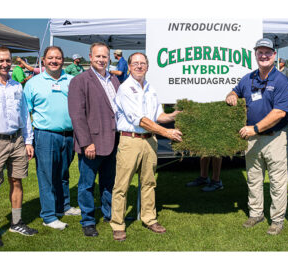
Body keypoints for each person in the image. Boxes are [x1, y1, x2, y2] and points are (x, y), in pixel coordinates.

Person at [110, 52, 182, 241]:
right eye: (135, 63)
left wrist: (175, 114)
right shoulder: (125, 88)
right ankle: (118, 224)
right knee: (121, 185)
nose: (139, 66)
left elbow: (158, 116)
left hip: (150, 140)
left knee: (149, 182)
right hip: (130, 140)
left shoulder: (150, 88)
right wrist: (167, 133)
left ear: (147, 67)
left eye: (143, 63)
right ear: (129, 66)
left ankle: (149, 218)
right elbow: (140, 119)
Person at [226, 38, 288, 236]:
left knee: (277, 181)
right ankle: (256, 213)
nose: (263, 56)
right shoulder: (249, 78)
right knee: (254, 178)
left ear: (274, 56)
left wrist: (254, 128)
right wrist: (231, 95)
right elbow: (236, 91)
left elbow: (280, 112)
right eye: (260, 52)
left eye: (267, 53)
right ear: (255, 55)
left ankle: (277, 220)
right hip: (252, 138)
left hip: (275, 137)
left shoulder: (281, 80)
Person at [0, 47, 37, 249]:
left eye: (8, 60)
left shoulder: (17, 87)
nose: (5, 64)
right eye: (1, 60)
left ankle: (16, 222)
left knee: (17, 181)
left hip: (16, 142)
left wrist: (28, 141)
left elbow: (24, 116)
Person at [24, 46, 80, 231]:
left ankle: (63, 206)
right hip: (45, 135)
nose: (54, 61)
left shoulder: (72, 81)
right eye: (50, 58)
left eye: (57, 58)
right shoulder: (33, 83)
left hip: (69, 135)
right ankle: (48, 215)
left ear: (63, 60)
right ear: (44, 60)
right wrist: (28, 140)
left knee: (63, 174)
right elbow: (26, 113)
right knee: (47, 176)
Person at [68, 42, 121, 237]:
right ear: (90, 57)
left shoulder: (114, 80)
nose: (101, 60)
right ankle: (88, 220)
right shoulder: (80, 81)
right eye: (98, 56)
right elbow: (77, 115)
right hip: (92, 143)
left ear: (109, 58)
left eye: (104, 57)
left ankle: (109, 214)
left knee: (109, 182)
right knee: (87, 185)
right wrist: (86, 142)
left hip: (113, 141)